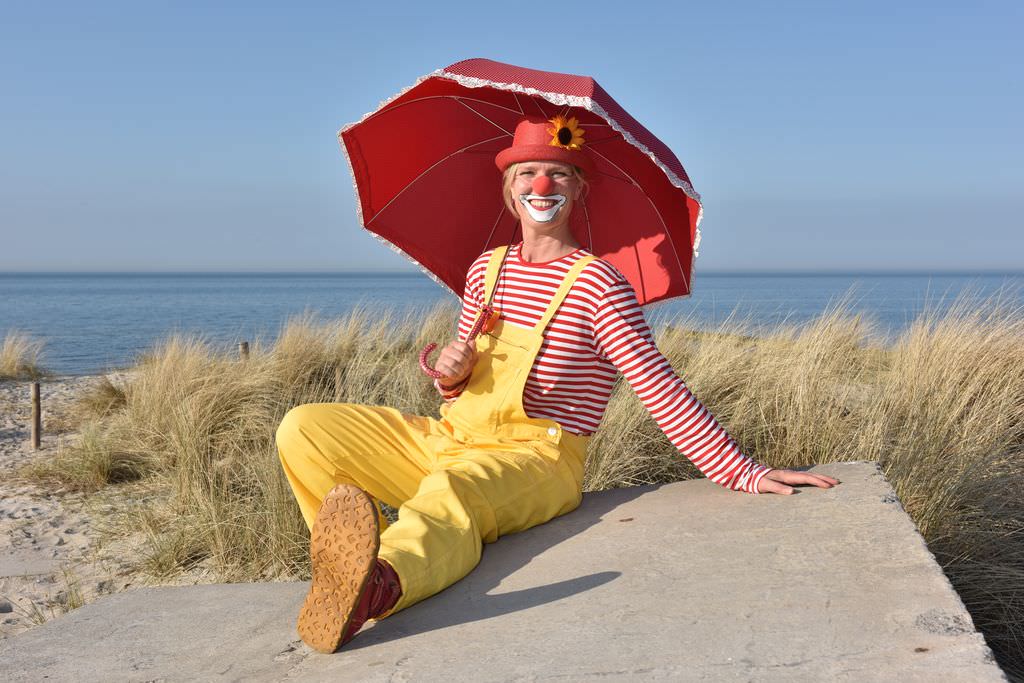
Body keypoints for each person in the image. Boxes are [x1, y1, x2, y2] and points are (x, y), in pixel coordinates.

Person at [276, 116, 839, 654]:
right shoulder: (485, 269)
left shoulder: (599, 284)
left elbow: (657, 386)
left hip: (537, 458)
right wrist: (451, 375)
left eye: (559, 173)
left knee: (454, 495)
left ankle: (382, 582)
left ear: (578, 190)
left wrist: (743, 471)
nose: (541, 184)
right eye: (526, 172)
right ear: (508, 187)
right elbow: (462, 388)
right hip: (452, 437)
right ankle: (345, 567)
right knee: (305, 428)